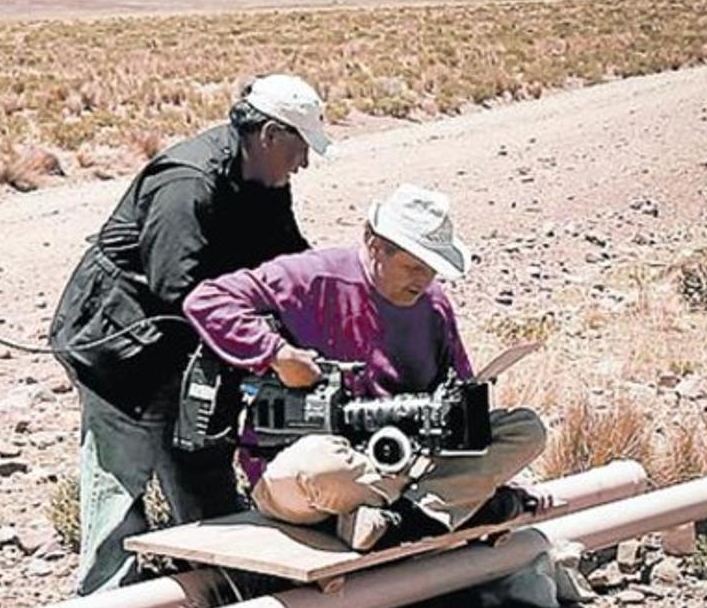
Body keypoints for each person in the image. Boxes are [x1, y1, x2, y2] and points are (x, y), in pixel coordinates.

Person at [49, 74, 332, 594]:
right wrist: (269, 350)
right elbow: (181, 291)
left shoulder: (264, 182)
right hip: (121, 350)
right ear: (269, 135)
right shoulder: (187, 184)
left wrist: (332, 307)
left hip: (188, 358)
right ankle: (106, 602)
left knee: (205, 483)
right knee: (119, 491)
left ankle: (225, 593)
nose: (304, 163)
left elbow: (287, 262)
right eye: (299, 148)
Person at [183, 184, 548, 551]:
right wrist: (276, 354)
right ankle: (445, 508)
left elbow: (462, 398)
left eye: (433, 270)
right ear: (373, 243)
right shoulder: (312, 277)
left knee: (525, 429)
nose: (423, 281)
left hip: (405, 460)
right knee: (317, 468)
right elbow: (207, 300)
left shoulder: (433, 303)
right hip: (319, 474)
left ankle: (401, 519)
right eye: (413, 267)